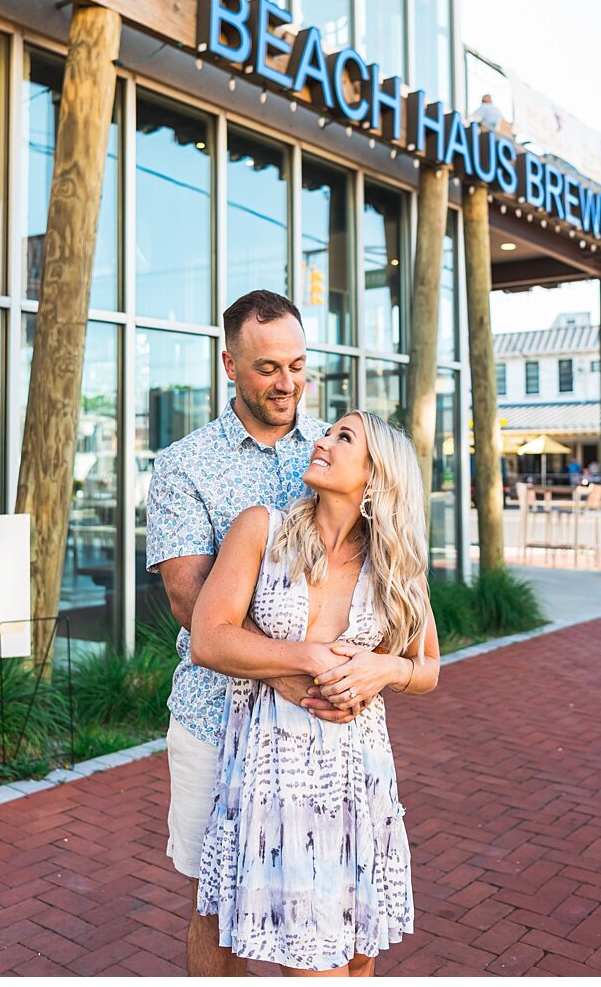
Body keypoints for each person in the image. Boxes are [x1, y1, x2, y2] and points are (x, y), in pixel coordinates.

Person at [145, 290, 373, 977]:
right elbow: (193, 603)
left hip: (329, 733)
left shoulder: (337, 454)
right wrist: (302, 675)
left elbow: (381, 575)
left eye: (299, 365)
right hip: (216, 721)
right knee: (217, 910)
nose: (289, 383)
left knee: (338, 909)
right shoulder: (183, 465)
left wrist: (369, 671)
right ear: (230, 365)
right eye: (269, 367)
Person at [191, 410, 442, 975]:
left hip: (358, 775)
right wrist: (306, 656)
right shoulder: (262, 529)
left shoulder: (396, 564)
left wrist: (386, 671)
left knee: (356, 961)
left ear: (376, 475)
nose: (322, 441)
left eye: (342, 437)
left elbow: (427, 666)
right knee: (313, 964)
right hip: (273, 773)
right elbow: (209, 638)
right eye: (328, 432)